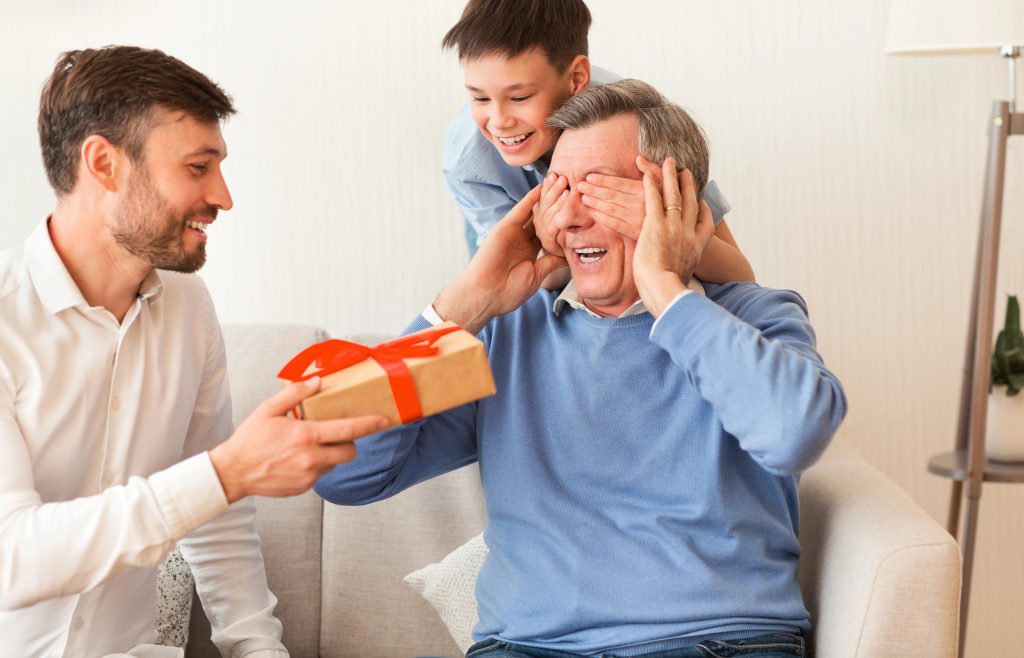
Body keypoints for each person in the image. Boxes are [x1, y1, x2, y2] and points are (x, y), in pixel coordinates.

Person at [316, 79, 847, 658]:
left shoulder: (748, 316)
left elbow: (794, 432)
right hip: (523, 648)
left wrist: (667, 288)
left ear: (676, 205)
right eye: (557, 187)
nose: (567, 215)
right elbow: (338, 468)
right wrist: (460, 307)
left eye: (597, 190)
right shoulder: (509, 335)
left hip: (714, 642)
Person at [0, 46, 387, 658]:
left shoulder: (188, 307)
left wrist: (259, 650)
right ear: (103, 163)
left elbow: (221, 521)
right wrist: (226, 472)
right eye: (198, 167)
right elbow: (12, 560)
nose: (224, 196)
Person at [441, 0, 754, 291]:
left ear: (577, 79)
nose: (498, 121)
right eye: (479, 97)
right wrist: (549, 246)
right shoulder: (468, 162)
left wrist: (665, 229)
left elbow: (742, 278)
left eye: (520, 97)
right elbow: (508, 284)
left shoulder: (637, 123)